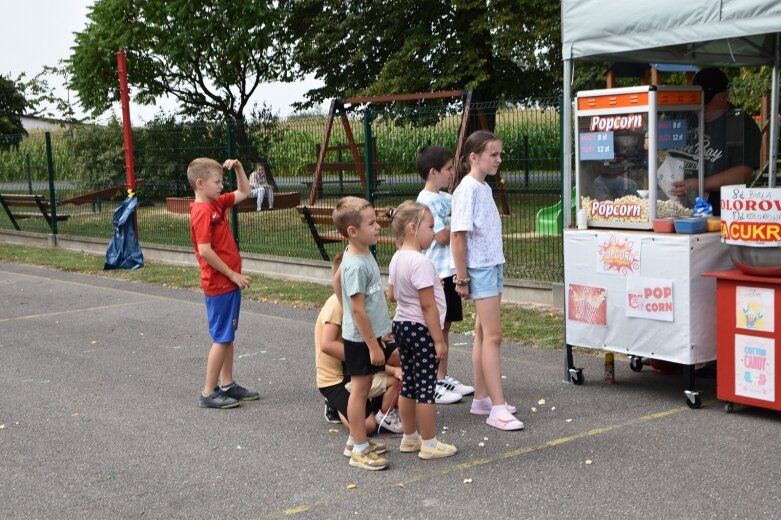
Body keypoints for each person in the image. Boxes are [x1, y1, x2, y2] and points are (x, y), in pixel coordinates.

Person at [451, 130, 523, 431]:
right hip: (479, 268)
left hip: (491, 265)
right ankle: (497, 407)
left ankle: (482, 399)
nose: (498, 159)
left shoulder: (483, 187)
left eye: (499, 154)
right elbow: (458, 235)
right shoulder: (467, 189)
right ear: (474, 157)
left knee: (483, 333)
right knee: (493, 335)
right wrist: (462, 276)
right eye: (493, 154)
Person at [388, 201, 458, 459]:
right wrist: (439, 341)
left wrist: (428, 284)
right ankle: (429, 443)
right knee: (426, 387)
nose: (433, 232)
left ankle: (409, 437)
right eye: (430, 227)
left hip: (402, 325)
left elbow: (393, 294)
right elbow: (428, 306)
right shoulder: (420, 262)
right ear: (413, 228)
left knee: (409, 383)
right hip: (421, 330)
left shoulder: (397, 258)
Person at [186, 157, 259, 409]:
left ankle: (227, 384)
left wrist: (239, 168)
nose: (220, 185)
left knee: (228, 335)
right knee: (221, 337)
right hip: (219, 285)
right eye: (216, 182)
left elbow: (244, 192)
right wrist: (232, 274)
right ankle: (208, 391)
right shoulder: (202, 212)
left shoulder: (216, 203)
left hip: (227, 286)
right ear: (200, 183)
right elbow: (205, 250)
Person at [315, 252, 404, 453]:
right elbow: (327, 345)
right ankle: (341, 413)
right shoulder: (336, 306)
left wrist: (380, 338)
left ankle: (377, 410)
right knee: (368, 426)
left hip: (354, 360)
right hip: (336, 378)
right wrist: (377, 360)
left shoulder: (357, 299)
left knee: (399, 355)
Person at [333, 196, 393, 470]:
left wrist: (380, 333)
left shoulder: (358, 252)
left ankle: (355, 441)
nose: (378, 226)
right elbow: (358, 311)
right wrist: (373, 345)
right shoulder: (356, 264)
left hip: (367, 336)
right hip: (360, 341)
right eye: (371, 223)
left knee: (364, 388)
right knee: (359, 392)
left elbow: (337, 282)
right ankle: (358, 448)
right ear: (353, 232)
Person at [415, 145, 475, 405]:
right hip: (437, 274)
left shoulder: (444, 197)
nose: (453, 173)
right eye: (449, 169)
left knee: (446, 325)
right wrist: (456, 224)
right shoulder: (425, 201)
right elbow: (439, 236)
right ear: (433, 172)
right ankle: (431, 381)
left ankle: (441, 376)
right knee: (436, 328)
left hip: (449, 271)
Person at [670, 67, 761, 215]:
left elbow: (741, 173)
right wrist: (653, 141)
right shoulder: (684, 115)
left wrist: (699, 184)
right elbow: (665, 148)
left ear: (724, 96)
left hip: (719, 214)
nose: (701, 107)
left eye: (707, 102)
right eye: (698, 100)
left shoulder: (737, 123)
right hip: (675, 208)